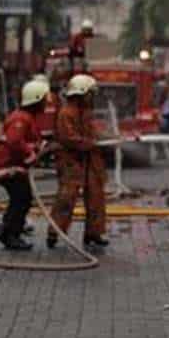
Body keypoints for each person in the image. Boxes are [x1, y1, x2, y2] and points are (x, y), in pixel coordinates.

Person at [48, 74, 112, 249]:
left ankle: (94, 233)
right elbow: (69, 138)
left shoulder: (85, 112)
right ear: (82, 93)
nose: (92, 97)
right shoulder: (66, 113)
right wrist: (90, 144)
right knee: (66, 198)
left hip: (90, 160)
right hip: (72, 161)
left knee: (96, 196)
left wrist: (112, 138)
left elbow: (94, 133)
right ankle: (55, 232)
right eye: (90, 93)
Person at [0, 79, 48, 250]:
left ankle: (8, 231)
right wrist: (30, 154)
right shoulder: (21, 118)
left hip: (13, 168)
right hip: (9, 169)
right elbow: (15, 141)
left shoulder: (25, 117)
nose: (46, 103)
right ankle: (9, 234)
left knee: (21, 199)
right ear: (37, 100)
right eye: (44, 99)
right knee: (21, 200)